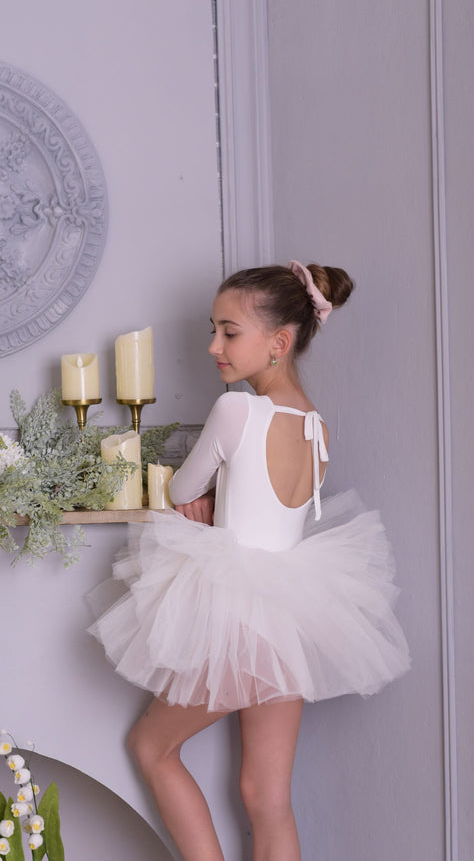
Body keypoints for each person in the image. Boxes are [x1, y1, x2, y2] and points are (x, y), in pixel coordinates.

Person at [89, 261, 410, 861]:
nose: (213, 345)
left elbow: (184, 491)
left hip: (236, 610)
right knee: (267, 796)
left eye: (229, 332)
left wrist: (208, 502)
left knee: (152, 749)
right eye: (214, 329)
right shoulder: (317, 426)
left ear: (278, 342)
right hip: (295, 614)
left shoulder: (237, 410)